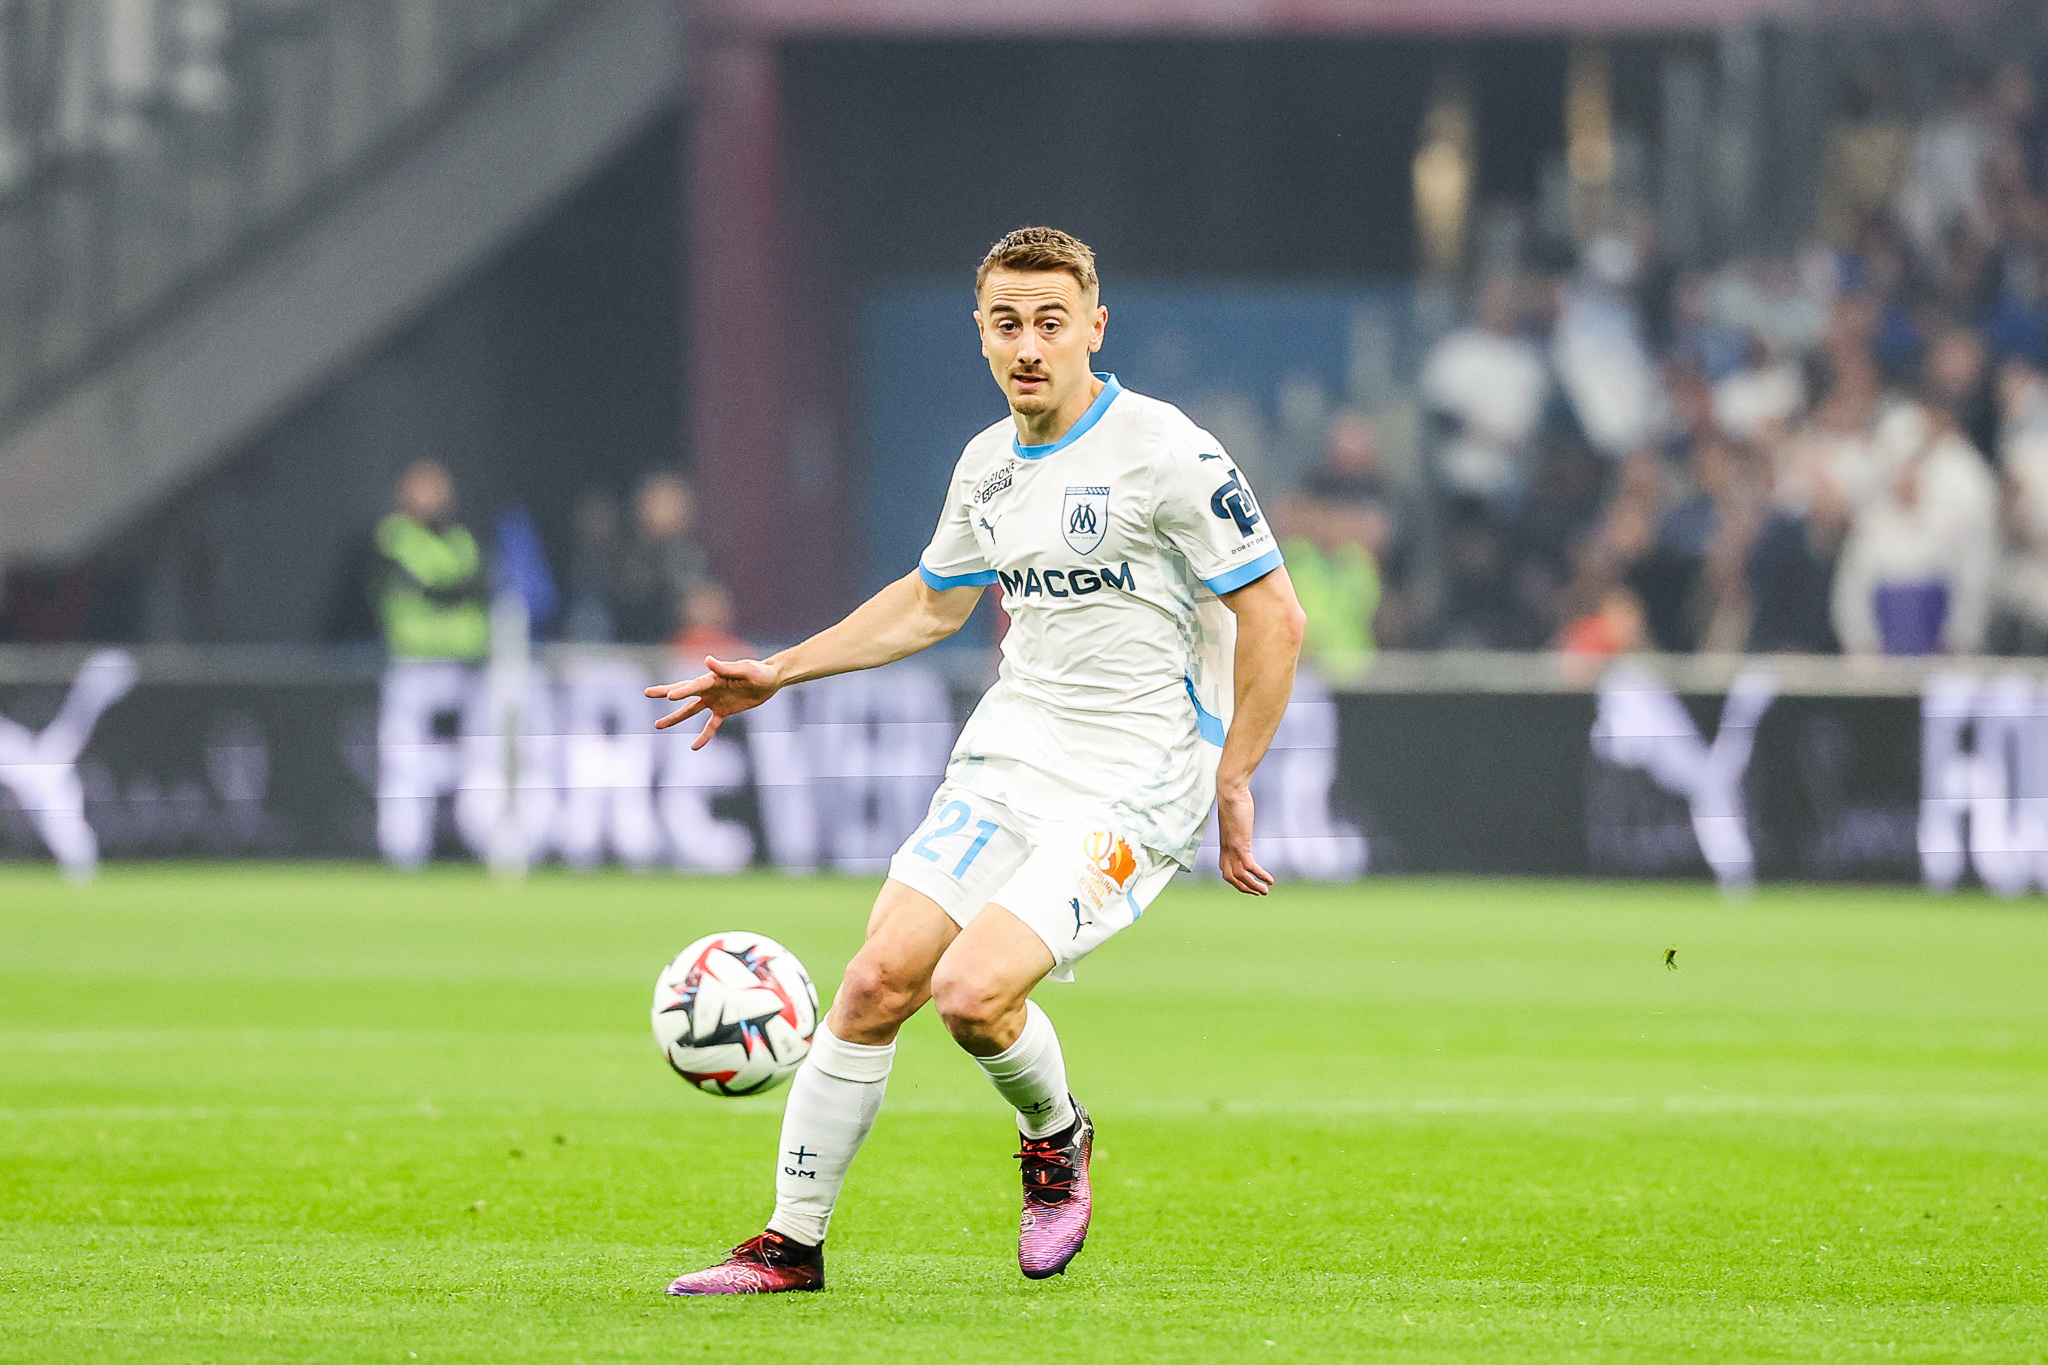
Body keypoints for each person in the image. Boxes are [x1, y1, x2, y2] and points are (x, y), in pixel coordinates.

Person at [646, 227, 1305, 1294]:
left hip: (1135, 776)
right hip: (1011, 755)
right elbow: (929, 603)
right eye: (1007, 324)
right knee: (872, 982)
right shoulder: (987, 465)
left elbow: (1274, 612)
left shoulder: (1163, 449)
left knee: (968, 996)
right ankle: (790, 1243)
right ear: (981, 335)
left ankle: (1056, 1139)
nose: (1029, 345)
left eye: (1051, 322)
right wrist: (778, 671)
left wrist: (1233, 773)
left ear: (1094, 326)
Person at [368, 460, 488, 661]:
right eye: (423, 489)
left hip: (465, 661)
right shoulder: (394, 536)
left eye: (437, 489)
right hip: (414, 662)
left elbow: (472, 577)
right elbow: (435, 578)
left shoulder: (461, 539)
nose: (432, 497)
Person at [611, 471, 711, 643]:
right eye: (660, 503)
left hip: (680, 655)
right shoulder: (624, 555)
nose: (667, 511)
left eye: (674, 504)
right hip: (626, 651)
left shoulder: (695, 558)